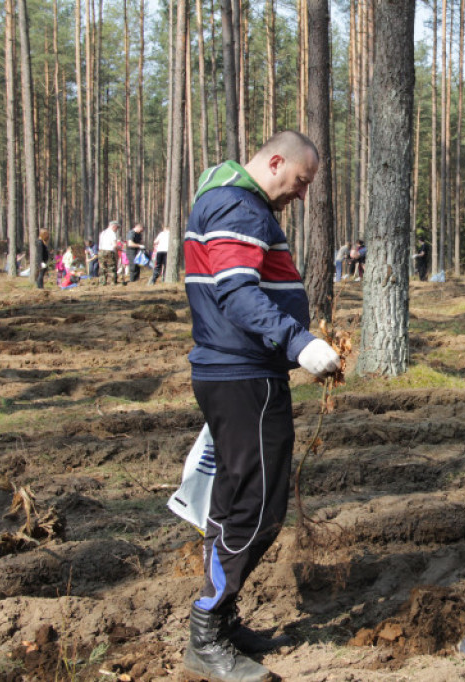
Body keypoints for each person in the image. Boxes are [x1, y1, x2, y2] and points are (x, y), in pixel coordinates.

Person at [182, 130, 341, 682]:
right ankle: (207, 630)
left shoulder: (226, 197)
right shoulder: (237, 203)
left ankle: (220, 623)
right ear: (275, 162)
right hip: (244, 374)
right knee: (259, 509)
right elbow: (236, 292)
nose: (300, 196)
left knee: (233, 501)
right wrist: (301, 342)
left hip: (239, 372)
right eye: (300, 182)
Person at [98, 221, 120, 285]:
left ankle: (102, 282)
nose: (117, 229)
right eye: (117, 228)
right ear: (114, 226)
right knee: (111, 267)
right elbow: (115, 245)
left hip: (101, 251)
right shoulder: (112, 233)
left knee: (102, 267)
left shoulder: (103, 232)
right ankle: (112, 282)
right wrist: (120, 248)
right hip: (109, 252)